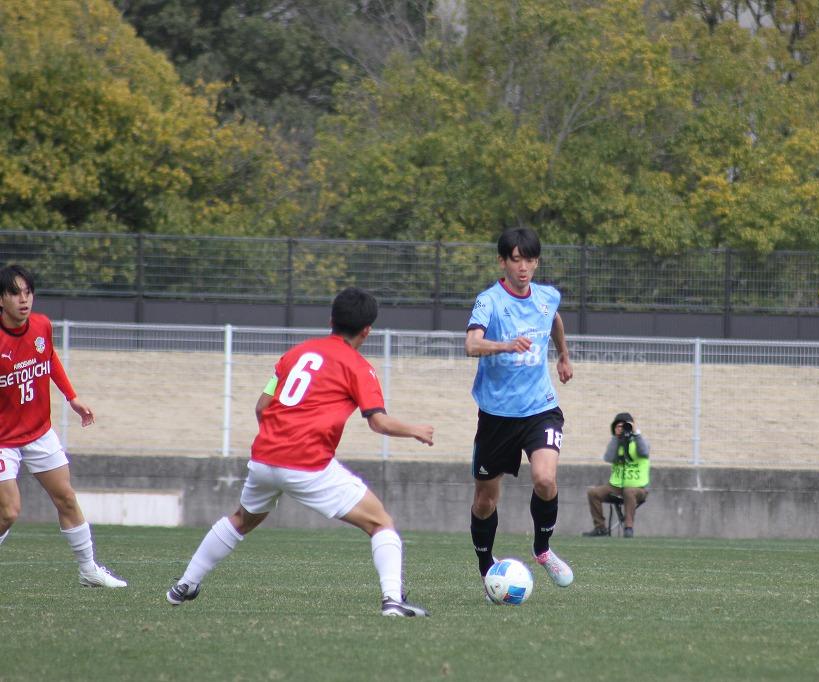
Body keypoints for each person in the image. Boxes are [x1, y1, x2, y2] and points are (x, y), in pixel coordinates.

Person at [166, 287, 434, 617]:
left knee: (241, 520)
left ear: (331, 320)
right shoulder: (359, 367)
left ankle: (185, 584)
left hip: (264, 458)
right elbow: (378, 423)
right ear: (367, 331)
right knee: (381, 522)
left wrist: (278, 441)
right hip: (307, 463)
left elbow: (262, 406)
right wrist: (416, 430)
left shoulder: (295, 354)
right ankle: (392, 600)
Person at [0, 264, 127, 588]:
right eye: (14, 293)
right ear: (1, 299)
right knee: (9, 512)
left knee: (66, 498)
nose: (23, 299)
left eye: (28, 292)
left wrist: (72, 397)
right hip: (2, 440)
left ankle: (88, 570)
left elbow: (49, 358)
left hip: (39, 432)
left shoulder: (41, 325)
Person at [465, 227, 575, 600]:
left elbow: (554, 319)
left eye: (529, 260)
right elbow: (471, 344)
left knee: (545, 479)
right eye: (516, 260)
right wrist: (505, 345)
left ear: (536, 262)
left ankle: (543, 550)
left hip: (540, 408)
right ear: (502, 262)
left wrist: (563, 355)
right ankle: (487, 569)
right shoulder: (489, 301)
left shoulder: (547, 297)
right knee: (485, 501)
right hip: (496, 416)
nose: (523, 267)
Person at [582, 412, 650, 538]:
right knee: (593, 493)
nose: (622, 428)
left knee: (629, 492)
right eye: (618, 426)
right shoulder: (617, 442)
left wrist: (636, 432)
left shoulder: (640, 441)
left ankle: (628, 528)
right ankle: (600, 528)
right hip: (616, 486)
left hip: (638, 488)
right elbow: (608, 458)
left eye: (625, 425)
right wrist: (616, 437)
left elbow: (644, 452)